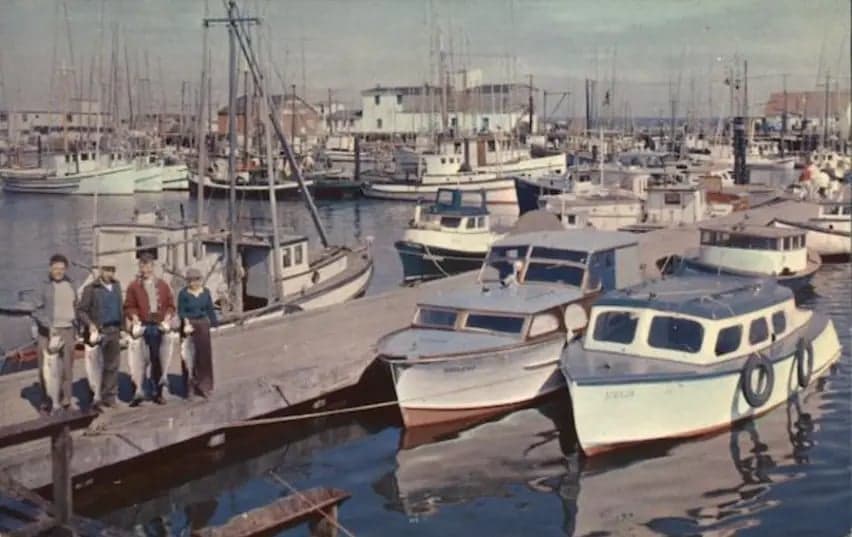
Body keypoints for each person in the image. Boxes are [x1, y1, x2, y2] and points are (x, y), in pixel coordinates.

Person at [124, 253, 175, 405]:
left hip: (158, 325)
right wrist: (133, 316)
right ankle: (137, 392)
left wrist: (168, 316)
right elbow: (128, 306)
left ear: (153, 267)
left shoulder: (163, 285)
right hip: (142, 325)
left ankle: (158, 392)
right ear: (139, 267)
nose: (145, 269)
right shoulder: (134, 286)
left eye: (148, 266)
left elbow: (171, 305)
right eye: (142, 266)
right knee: (138, 361)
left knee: (157, 359)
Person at [31, 254, 77, 414]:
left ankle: (67, 400)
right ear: (50, 268)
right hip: (48, 332)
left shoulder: (71, 284)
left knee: (67, 368)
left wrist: (77, 327)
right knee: (46, 368)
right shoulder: (43, 285)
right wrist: (49, 326)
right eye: (55, 268)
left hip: (68, 331)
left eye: (62, 269)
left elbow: (75, 306)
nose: (58, 271)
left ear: (66, 269)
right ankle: (46, 401)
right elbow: (36, 310)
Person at [76, 259, 123, 411]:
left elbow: (120, 308)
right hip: (98, 332)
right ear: (101, 270)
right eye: (106, 269)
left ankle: (110, 396)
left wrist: (123, 328)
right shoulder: (91, 288)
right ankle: (95, 399)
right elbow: (81, 310)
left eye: (112, 270)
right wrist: (90, 324)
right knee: (95, 367)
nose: (109, 273)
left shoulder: (116, 286)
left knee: (112, 365)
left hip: (114, 330)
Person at [177, 268, 217, 398]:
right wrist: (186, 322)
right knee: (188, 358)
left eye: (196, 280)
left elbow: (210, 309)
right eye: (190, 281)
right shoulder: (183, 294)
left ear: (200, 280)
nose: (193, 283)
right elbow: (181, 311)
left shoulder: (206, 292)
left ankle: (205, 385)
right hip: (188, 325)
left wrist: (214, 322)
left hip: (202, 324)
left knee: (204, 356)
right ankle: (190, 387)